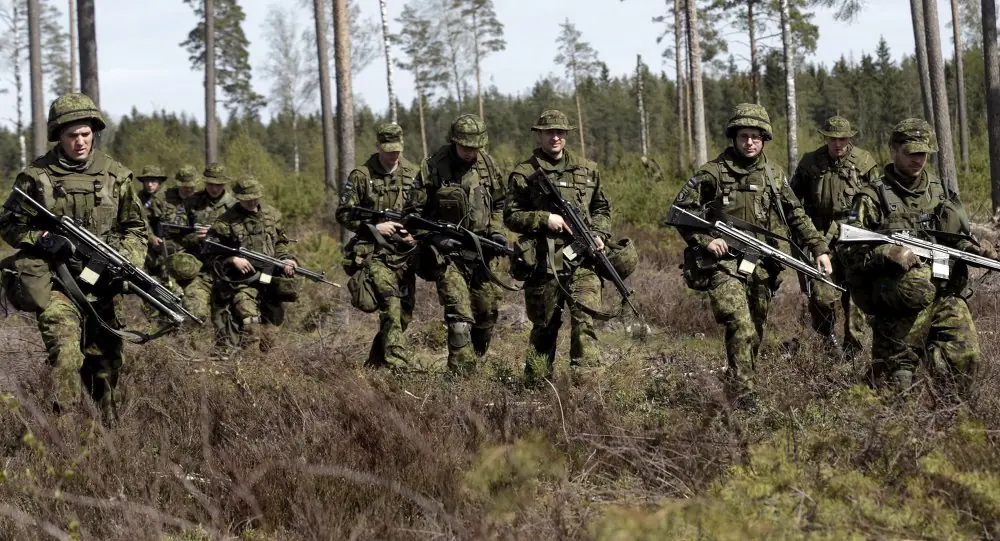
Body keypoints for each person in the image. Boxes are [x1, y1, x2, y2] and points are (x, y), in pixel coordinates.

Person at [670, 103, 832, 404]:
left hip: (761, 265)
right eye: (744, 136)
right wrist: (705, 241)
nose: (749, 142)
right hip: (723, 265)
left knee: (754, 332)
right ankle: (745, 397)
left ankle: (738, 384)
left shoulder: (773, 174)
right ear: (734, 137)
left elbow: (796, 215)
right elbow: (679, 211)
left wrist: (819, 248)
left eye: (756, 137)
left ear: (764, 138)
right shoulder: (713, 172)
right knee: (740, 325)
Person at [0, 92, 147, 422]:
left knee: (107, 360)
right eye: (71, 135)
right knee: (67, 355)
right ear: (59, 135)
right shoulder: (35, 177)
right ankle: (65, 428)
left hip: (101, 284)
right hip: (57, 282)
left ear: (94, 132)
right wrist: (42, 239)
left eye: (85, 133)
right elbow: (8, 223)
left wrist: (126, 262)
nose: (80, 142)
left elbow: (136, 228)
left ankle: (109, 429)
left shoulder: (116, 176)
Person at [838, 118, 997, 395]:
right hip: (898, 300)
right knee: (895, 386)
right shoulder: (872, 197)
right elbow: (847, 250)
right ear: (893, 151)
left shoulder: (940, 192)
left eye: (923, 153)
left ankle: (948, 415)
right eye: (910, 153)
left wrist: (975, 249)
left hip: (943, 292)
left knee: (965, 359)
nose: (917, 160)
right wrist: (887, 252)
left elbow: (955, 239)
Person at [505, 109, 619, 383]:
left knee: (585, 323)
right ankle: (536, 385)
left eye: (560, 132)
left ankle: (586, 387)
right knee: (544, 327)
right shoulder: (524, 173)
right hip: (544, 264)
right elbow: (511, 216)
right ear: (540, 135)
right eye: (549, 132)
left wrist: (599, 233)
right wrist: (544, 219)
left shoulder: (587, 169)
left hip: (584, 262)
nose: (555, 137)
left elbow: (602, 208)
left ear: (566, 135)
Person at [406, 113, 507, 375]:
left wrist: (496, 232)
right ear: (454, 141)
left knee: (486, 314)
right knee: (459, 318)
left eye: (475, 147)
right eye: (465, 147)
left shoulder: (487, 165)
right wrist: (435, 238)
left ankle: (475, 361)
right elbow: (412, 216)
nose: (470, 152)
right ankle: (461, 380)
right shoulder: (432, 167)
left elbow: (500, 202)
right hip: (447, 256)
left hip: (482, 254)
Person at [789, 116, 878, 358]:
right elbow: (792, 201)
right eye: (832, 139)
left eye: (842, 139)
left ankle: (853, 353)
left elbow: (878, 201)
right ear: (825, 138)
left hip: (855, 240)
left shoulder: (864, 162)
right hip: (820, 240)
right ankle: (828, 341)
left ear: (849, 138)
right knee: (821, 295)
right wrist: (802, 235)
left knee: (856, 298)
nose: (837, 144)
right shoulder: (809, 163)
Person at [336, 123, 419, 370]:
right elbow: (343, 214)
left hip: (403, 255)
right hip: (374, 253)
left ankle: (375, 365)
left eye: (397, 150)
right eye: (388, 149)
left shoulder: (413, 174)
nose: (393, 155)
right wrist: (375, 228)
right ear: (378, 146)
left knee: (403, 315)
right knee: (391, 306)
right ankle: (398, 369)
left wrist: (413, 236)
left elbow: (425, 214)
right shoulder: (361, 176)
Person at [206, 175, 297, 354]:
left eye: (255, 198)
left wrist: (286, 259)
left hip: (269, 279)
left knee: (271, 335)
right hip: (241, 283)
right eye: (246, 199)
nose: (251, 202)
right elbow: (210, 255)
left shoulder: (273, 215)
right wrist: (232, 260)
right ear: (238, 198)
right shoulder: (225, 222)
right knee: (251, 325)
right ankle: (249, 365)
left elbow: (280, 244)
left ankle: (265, 366)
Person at [179, 163, 237, 325]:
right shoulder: (191, 202)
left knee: (225, 322)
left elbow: (243, 239)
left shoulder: (235, 206)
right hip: (198, 269)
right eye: (210, 184)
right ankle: (191, 342)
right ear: (205, 182)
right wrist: (196, 237)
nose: (214, 188)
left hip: (226, 271)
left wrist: (216, 234)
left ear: (224, 183)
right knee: (194, 315)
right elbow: (177, 235)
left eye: (218, 185)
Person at [148, 165, 201, 294]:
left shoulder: (201, 199)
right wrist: (152, 237)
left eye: (192, 186)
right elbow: (144, 220)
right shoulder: (162, 198)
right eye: (185, 186)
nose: (189, 189)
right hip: (164, 250)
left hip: (193, 251)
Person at [137, 165, 169, 279]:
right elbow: (139, 220)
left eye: (153, 181)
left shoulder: (168, 196)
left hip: (168, 241)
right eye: (147, 181)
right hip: (147, 240)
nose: (150, 184)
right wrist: (151, 238)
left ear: (159, 182)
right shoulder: (139, 198)